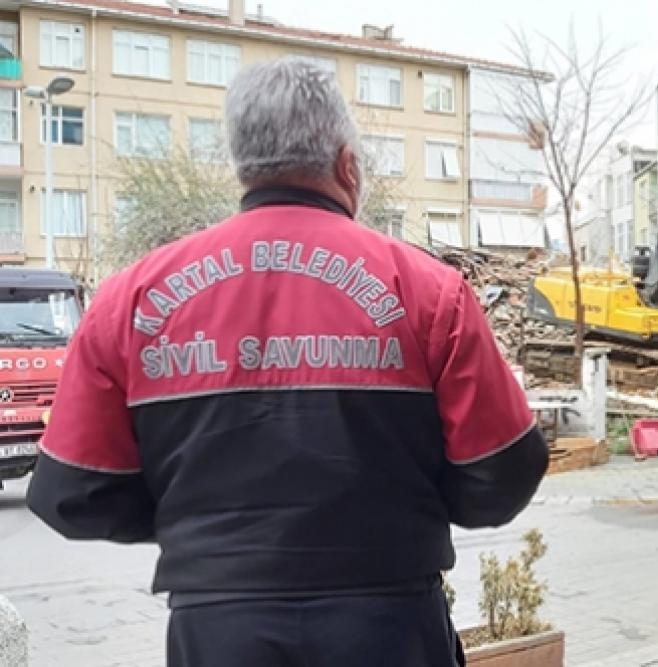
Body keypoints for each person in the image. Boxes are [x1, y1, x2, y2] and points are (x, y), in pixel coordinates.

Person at [27, 58, 548, 666]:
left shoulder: (131, 301)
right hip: (391, 623)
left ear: (242, 167)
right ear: (347, 166)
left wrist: (201, 526)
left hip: (217, 629)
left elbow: (72, 494)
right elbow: (504, 473)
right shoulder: (430, 294)